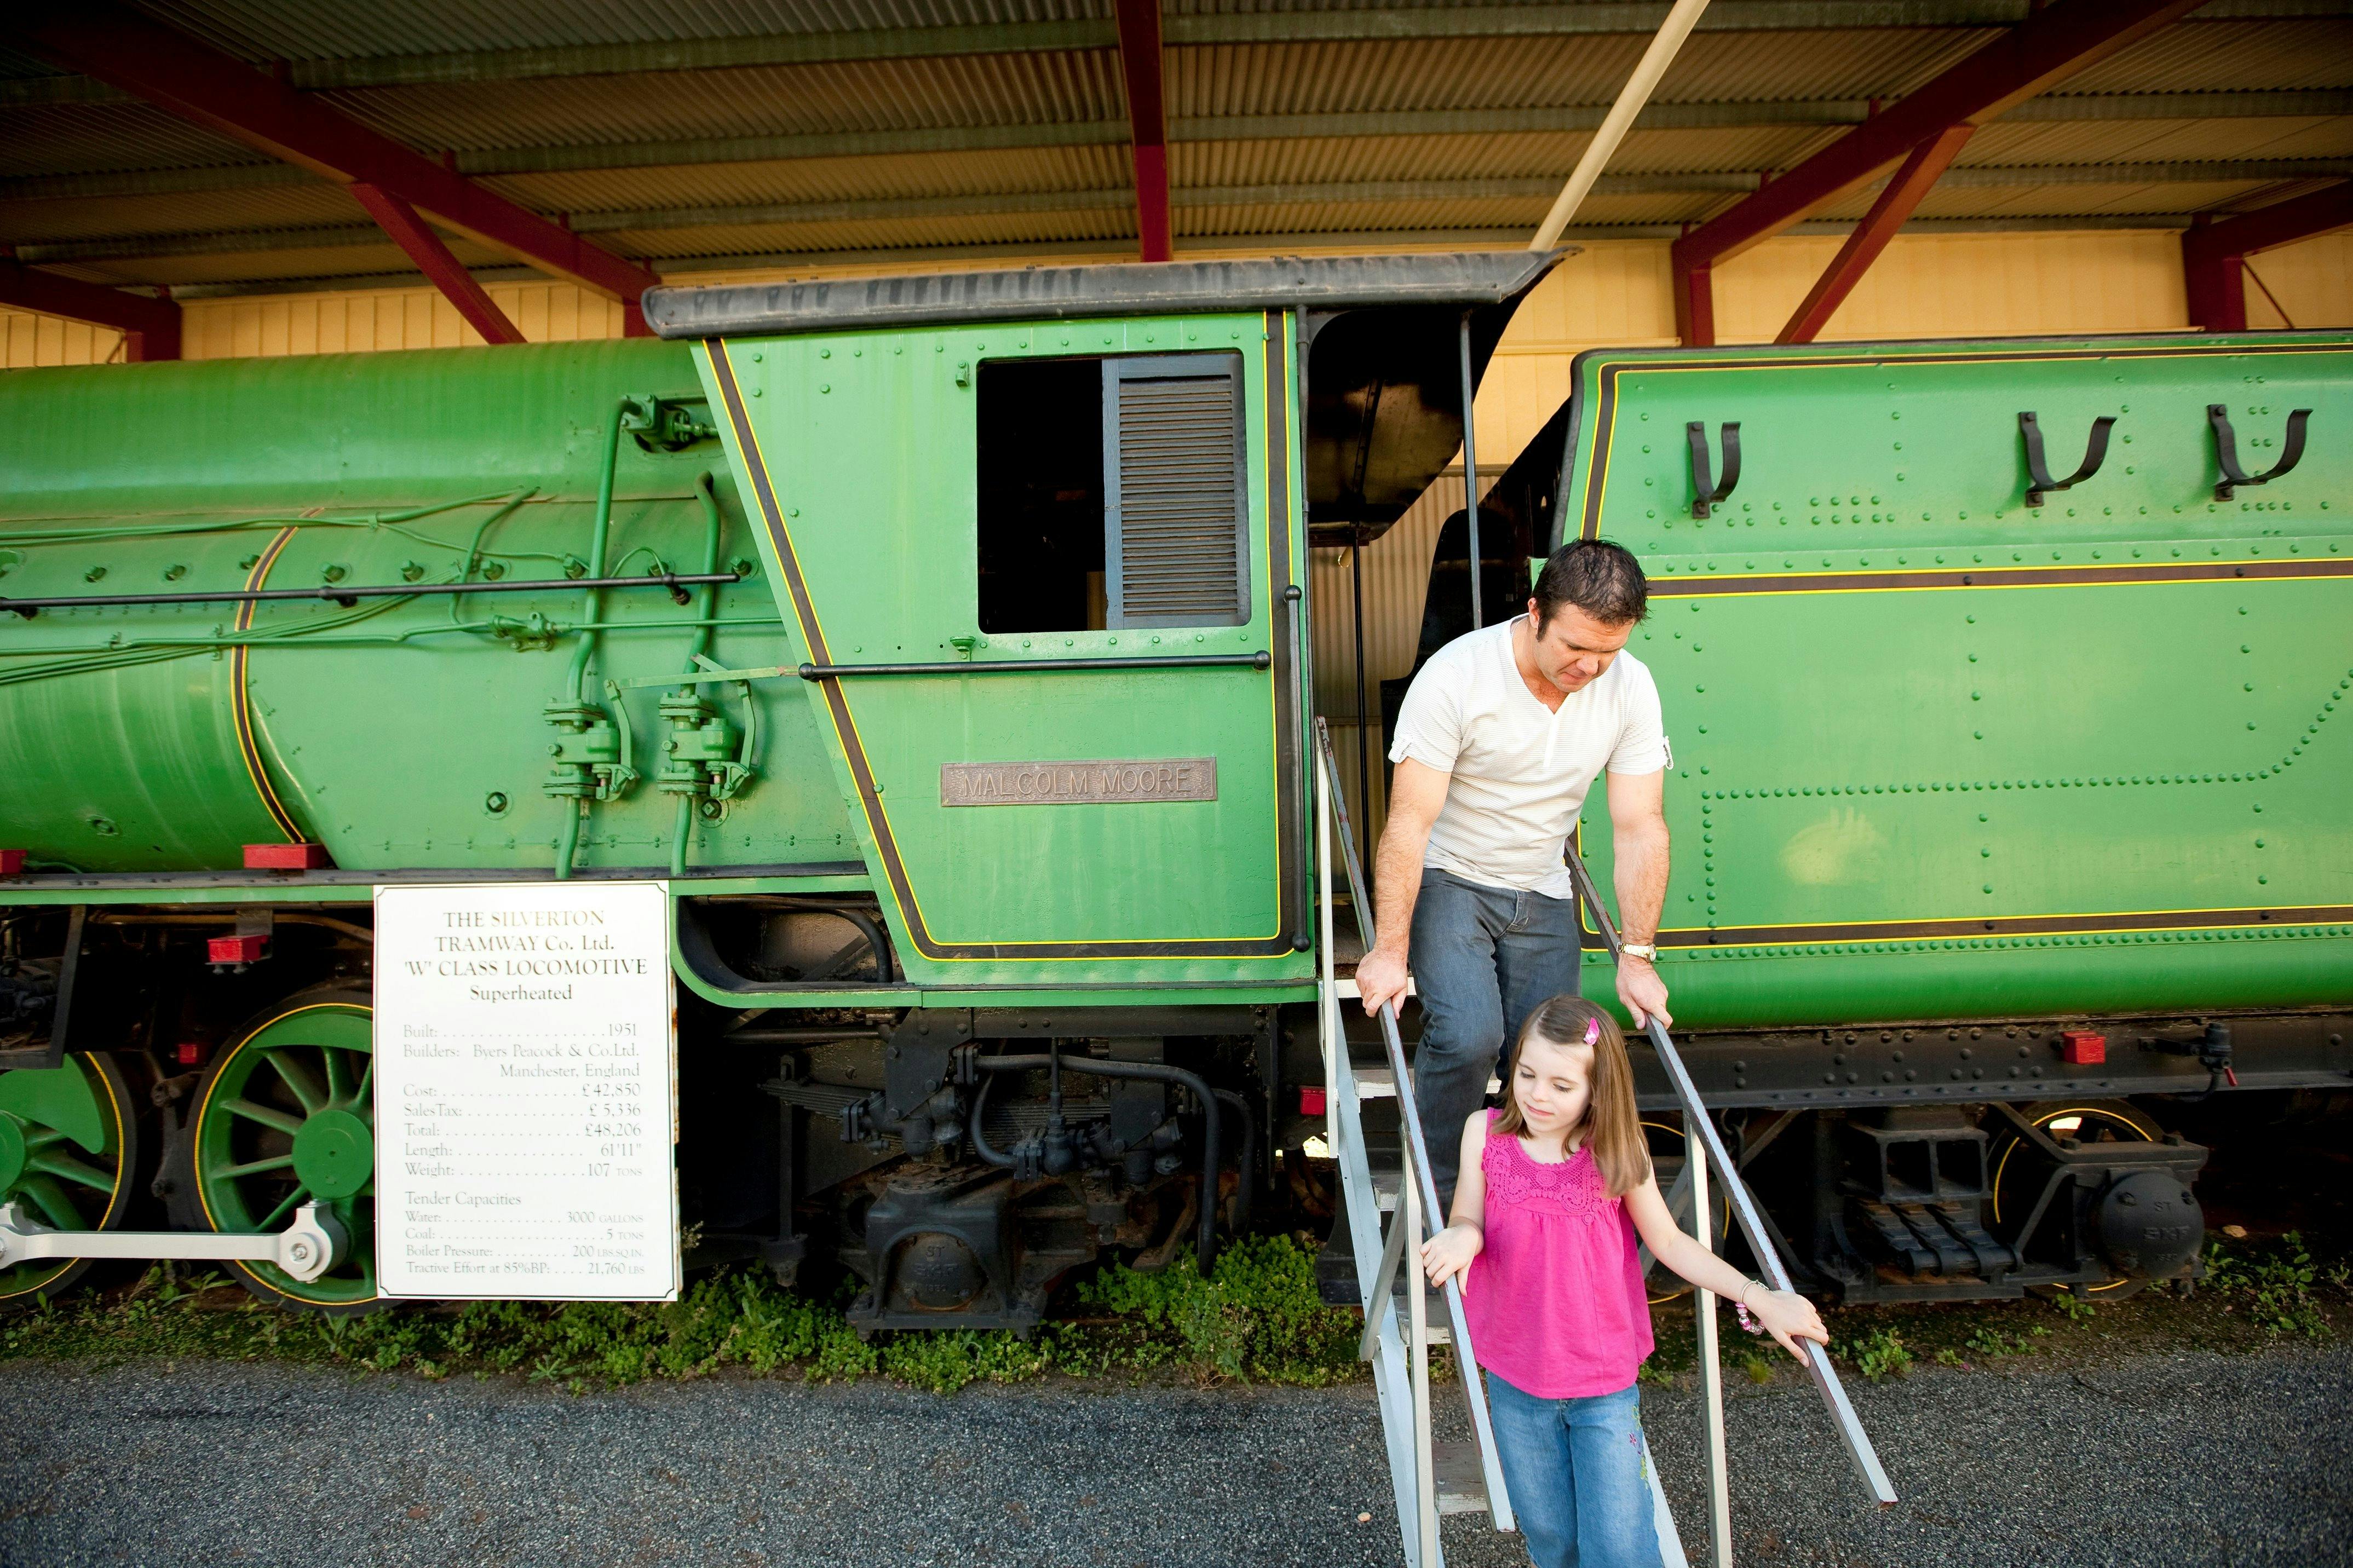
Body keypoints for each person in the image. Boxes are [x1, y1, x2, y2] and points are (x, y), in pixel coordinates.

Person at [1421, 995, 1830, 1568]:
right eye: (1527, 1074)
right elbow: (1468, 1214)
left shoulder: (1614, 1148)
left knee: (1618, 1547)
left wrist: (1759, 1295)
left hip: (1601, 1386)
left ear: (1596, 1089)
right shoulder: (1483, 1134)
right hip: (1516, 1380)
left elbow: (1670, 1242)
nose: (1538, 1095)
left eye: (1561, 1085)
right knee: (1551, 1538)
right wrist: (1464, 1233)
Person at [1356, 538, 1669, 1206]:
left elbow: (1640, 824)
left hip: (1544, 890)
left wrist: (1637, 954)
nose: (1590, 666)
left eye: (1607, 652)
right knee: (1471, 1035)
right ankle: (1441, 1200)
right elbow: (1408, 822)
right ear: (1535, 613)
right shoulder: (1456, 676)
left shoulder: (1630, 686)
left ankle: (1521, 1197)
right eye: (1575, 648)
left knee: (1550, 1060)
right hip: (1452, 878)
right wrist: (1388, 949)